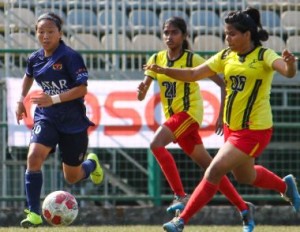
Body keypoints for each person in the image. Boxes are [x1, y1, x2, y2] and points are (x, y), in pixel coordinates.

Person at [144, 8, 300, 232]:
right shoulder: (226, 55)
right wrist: (164, 69)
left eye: (232, 34)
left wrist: (291, 64)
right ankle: (285, 186)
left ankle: (181, 220)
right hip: (232, 128)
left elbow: (287, 72)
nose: (228, 38)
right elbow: (193, 74)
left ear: (248, 34)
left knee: (214, 171)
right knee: (246, 176)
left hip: (254, 130)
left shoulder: (264, 55)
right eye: (226, 33)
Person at [138, 16, 256, 232]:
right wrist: (142, 89)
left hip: (188, 115)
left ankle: (180, 195)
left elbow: (222, 84)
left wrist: (221, 114)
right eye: (166, 32)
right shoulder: (157, 58)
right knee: (211, 169)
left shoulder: (192, 59)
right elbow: (143, 89)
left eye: (174, 32)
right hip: (175, 119)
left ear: (184, 36)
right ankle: (243, 207)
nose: (169, 36)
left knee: (156, 144)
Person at [15, 12, 104, 228]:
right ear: (36, 34)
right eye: (41, 32)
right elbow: (28, 75)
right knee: (34, 157)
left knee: (72, 177)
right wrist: (21, 99)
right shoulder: (35, 58)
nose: (45, 36)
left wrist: (53, 99)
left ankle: (91, 164)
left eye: (50, 31)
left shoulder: (70, 57)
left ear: (60, 33)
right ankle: (34, 213)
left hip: (72, 121)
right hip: (47, 117)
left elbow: (82, 88)